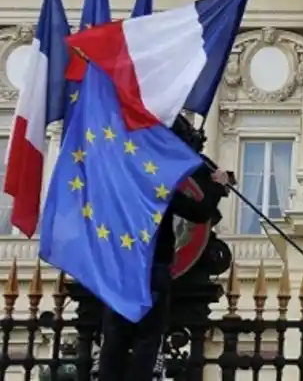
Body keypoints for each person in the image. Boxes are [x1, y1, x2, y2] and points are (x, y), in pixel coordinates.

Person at [97, 119, 231, 381]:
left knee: (114, 339)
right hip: (153, 268)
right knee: (147, 340)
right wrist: (217, 186)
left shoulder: (118, 179)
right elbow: (199, 213)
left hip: (119, 269)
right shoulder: (157, 186)